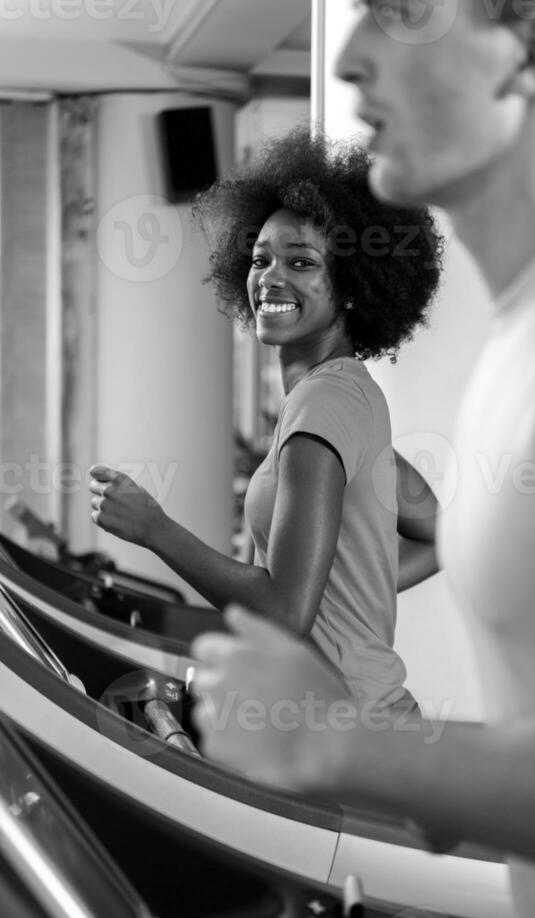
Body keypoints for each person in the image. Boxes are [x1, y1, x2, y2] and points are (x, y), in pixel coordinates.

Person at [191, 3, 535, 918]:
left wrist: (347, 743)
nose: (352, 59)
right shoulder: (534, 334)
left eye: (401, 18)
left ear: (534, 50)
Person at [88, 129, 442, 710]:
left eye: (302, 262)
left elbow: (283, 612)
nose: (271, 278)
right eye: (261, 259)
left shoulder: (322, 406)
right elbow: (439, 536)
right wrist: (349, 600)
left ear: (352, 287)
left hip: (342, 737)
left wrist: (154, 528)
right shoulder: (349, 395)